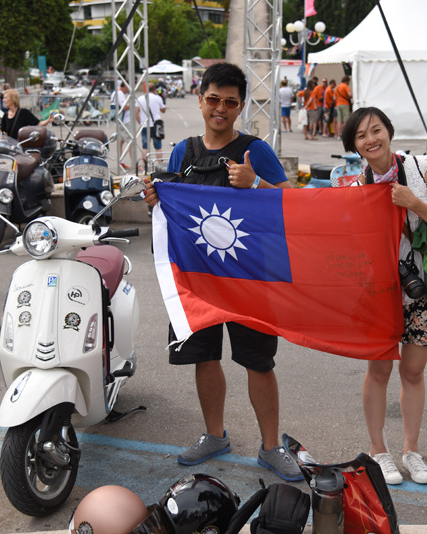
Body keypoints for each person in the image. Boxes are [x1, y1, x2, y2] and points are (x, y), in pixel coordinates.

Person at [142, 62, 300, 482]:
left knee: (258, 363)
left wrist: (255, 183)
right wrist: (155, 200)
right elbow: (168, 212)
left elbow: (291, 203)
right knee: (204, 358)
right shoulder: (184, 152)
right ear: (200, 99)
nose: (221, 109)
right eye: (213, 99)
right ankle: (215, 435)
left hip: (249, 277)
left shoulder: (255, 150)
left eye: (230, 102)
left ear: (240, 106)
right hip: (197, 279)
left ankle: (271, 446)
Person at [341, 107, 427, 485]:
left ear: (389, 133)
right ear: (354, 146)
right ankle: (379, 451)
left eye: (376, 130)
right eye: (361, 136)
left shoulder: (423, 167)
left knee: (412, 371)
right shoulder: (357, 188)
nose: (370, 139)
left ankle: (412, 451)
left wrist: (414, 204)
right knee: (379, 370)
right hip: (382, 292)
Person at [136, 82, 166, 164]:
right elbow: (163, 110)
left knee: (145, 147)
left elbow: (136, 113)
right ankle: (160, 164)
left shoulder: (140, 98)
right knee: (158, 146)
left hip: (145, 125)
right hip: (157, 125)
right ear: (154, 89)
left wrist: (141, 122)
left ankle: (144, 165)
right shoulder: (158, 98)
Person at [112, 82, 133, 169]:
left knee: (120, 142)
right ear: (124, 86)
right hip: (124, 122)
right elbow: (124, 107)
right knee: (131, 142)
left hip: (119, 121)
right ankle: (134, 163)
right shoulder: (119, 93)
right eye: (127, 89)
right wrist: (131, 105)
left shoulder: (114, 93)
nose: (127, 91)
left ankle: (121, 161)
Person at [334, 75, 352, 140]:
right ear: (347, 81)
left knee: (339, 121)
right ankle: (342, 133)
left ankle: (338, 136)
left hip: (338, 104)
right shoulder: (345, 86)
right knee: (345, 120)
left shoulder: (337, 87)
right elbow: (350, 94)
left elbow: (334, 98)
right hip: (345, 104)